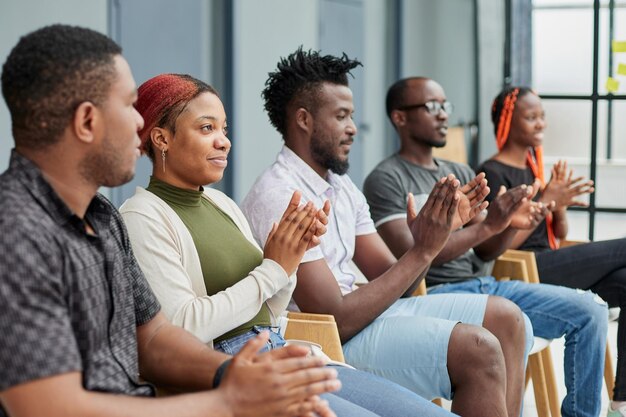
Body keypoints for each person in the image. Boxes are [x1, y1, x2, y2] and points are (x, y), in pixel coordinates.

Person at [0, 24, 342, 417]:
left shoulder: (104, 218)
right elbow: (47, 407)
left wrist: (239, 375)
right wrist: (226, 402)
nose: (140, 125)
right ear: (87, 121)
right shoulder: (15, 231)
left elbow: (156, 338)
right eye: (129, 106)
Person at [119, 73, 456, 417]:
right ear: (161, 138)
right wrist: (273, 270)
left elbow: (270, 310)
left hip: (278, 350)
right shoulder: (142, 217)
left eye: (224, 129)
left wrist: (290, 260)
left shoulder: (222, 204)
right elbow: (181, 329)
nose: (224, 142)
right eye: (207, 129)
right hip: (230, 369)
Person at [241, 47, 532, 417]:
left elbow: (393, 277)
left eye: (352, 116)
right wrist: (422, 250)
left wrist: (436, 234)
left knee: (507, 318)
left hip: (366, 314)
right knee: (478, 348)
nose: (352, 129)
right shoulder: (282, 194)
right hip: (321, 339)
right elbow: (336, 319)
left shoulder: (339, 185)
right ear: (304, 120)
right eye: (342, 116)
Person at [363, 76, 609, 417]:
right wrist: (492, 224)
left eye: (445, 106)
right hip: (435, 293)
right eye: (432, 107)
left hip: (486, 283)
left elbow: (484, 251)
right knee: (511, 321)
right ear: (399, 117)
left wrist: (508, 224)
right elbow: (413, 252)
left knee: (591, 311)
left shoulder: (459, 170)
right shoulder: (386, 178)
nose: (443, 115)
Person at [478, 85, 626, 416]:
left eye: (542, 116)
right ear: (507, 122)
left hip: (549, 264)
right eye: (531, 117)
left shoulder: (535, 169)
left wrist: (557, 207)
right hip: (521, 271)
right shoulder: (492, 172)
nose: (540, 123)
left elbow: (557, 234)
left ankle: (620, 401)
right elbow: (496, 243)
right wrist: (546, 200)